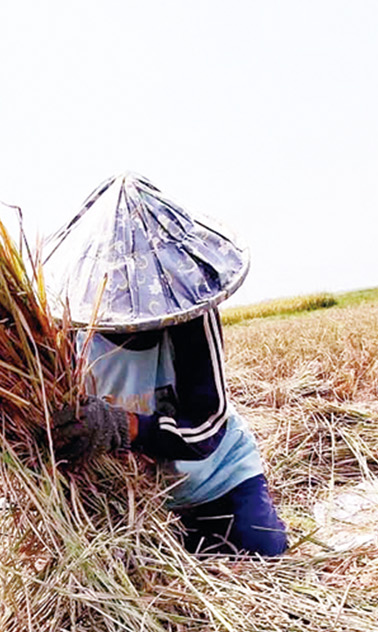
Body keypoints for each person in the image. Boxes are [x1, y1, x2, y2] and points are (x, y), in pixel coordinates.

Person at [43, 172, 287, 556]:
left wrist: (124, 426)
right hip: (136, 499)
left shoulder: (191, 318)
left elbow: (206, 429)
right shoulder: (66, 330)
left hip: (216, 476)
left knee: (264, 553)